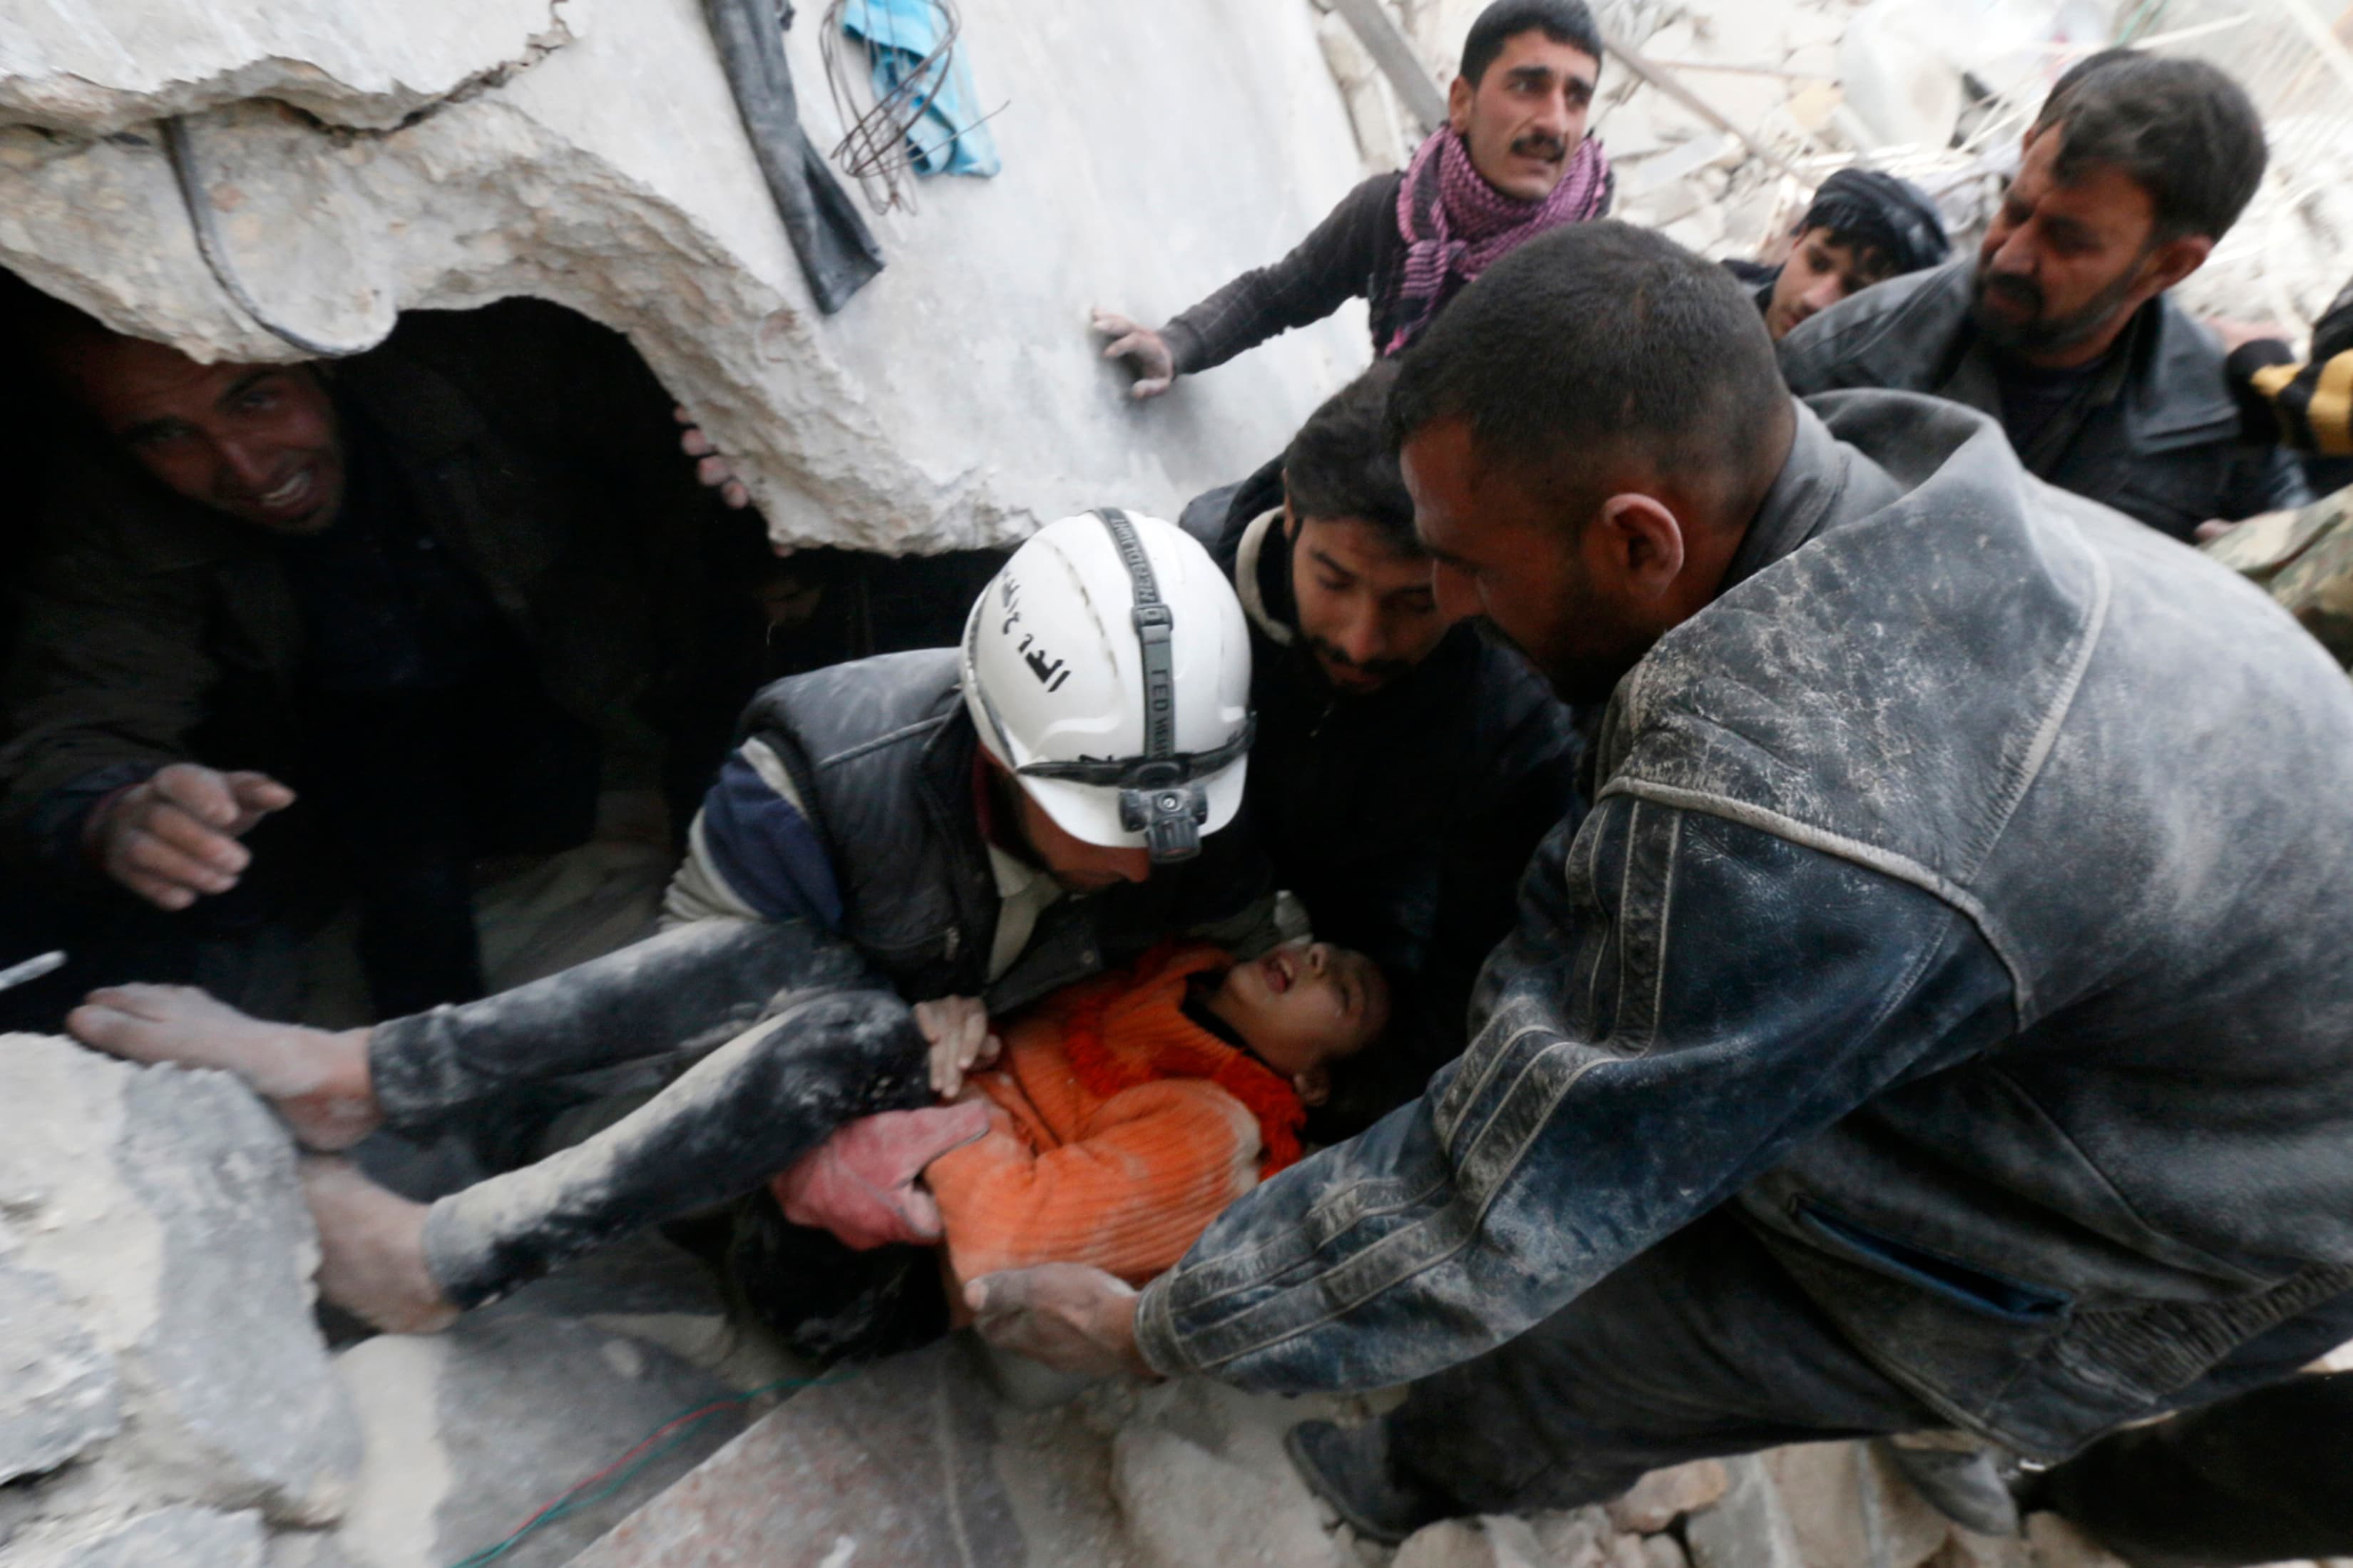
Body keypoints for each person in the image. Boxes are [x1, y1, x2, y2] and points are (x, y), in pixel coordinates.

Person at [964, 223, 2353, 1546]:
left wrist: (1165, 1326)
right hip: (2193, 939)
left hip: (2222, 1204)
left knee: (1631, 1334)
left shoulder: (1801, 811)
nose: (1440, 608)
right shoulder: (1840, 457)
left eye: (1459, 568)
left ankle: (1389, 1479)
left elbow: (1508, 1192)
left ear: (1639, 541)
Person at [63, 511, 1263, 1333]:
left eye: (1173, 822)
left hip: (873, 1255)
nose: (1151, 853)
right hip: (700, 1139)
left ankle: (421, 1214)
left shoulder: (1169, 833)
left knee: (861, 1029)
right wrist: (899, 1034)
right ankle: (376, 1096)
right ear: (1001, 750)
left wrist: (975, 1053)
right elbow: (680, 1010)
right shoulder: (821, 777)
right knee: (830, 1006)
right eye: (1104, 820)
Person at [0, 287, 749, 1022]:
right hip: (348, 785)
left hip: (590, 713)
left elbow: (700, 483)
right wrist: (115, 812)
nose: (244, 467)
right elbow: (80, 710)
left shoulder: (483, 359)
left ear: (321, 356)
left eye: (254, 399)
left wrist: (755, 494)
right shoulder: (110, 507)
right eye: (166, 434)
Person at [1179, 360, 1582, 1120]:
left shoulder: (1513, 720)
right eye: (1334, 581)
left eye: (1413, 602)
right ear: (1292, 510)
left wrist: (1349, 1114)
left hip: (1377, 930)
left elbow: (1477, 965)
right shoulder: (1184, 589)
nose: (1364, 643)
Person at [760, 938, 1387, 1359]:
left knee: (822, 1057)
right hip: (925, 1120)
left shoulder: (1217, 1135)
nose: (1317, 962)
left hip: (885, 1277)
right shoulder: (1161, 981)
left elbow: (1003, 1239)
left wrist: (958, 1078)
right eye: (1319, 948)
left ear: (1313, 1081)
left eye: (1344, 993)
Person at [1778, 50, 2310, 540]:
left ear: (2168, 265)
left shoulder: (2227, 429)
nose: (2011, 255)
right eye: (2015, 209)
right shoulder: (1843, 361)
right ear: (2030, 147)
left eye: (2066, 240)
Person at [1091, 0, 1613, 398]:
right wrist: (1176, 345)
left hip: (1476, 520)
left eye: (1576, 98)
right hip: (1371, 457)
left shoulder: (1597, 276)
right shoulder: (1395, 214)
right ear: (1462, 102)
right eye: (1528, 86)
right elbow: (1277, 295)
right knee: (1213, 527)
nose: (1554, 122)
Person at [1722, 166, 1950, 342]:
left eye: (1856, 291)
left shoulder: (1853, 400)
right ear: (1800, 239)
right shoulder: (1718, 294)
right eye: (1817, 264)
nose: (1815, 300)